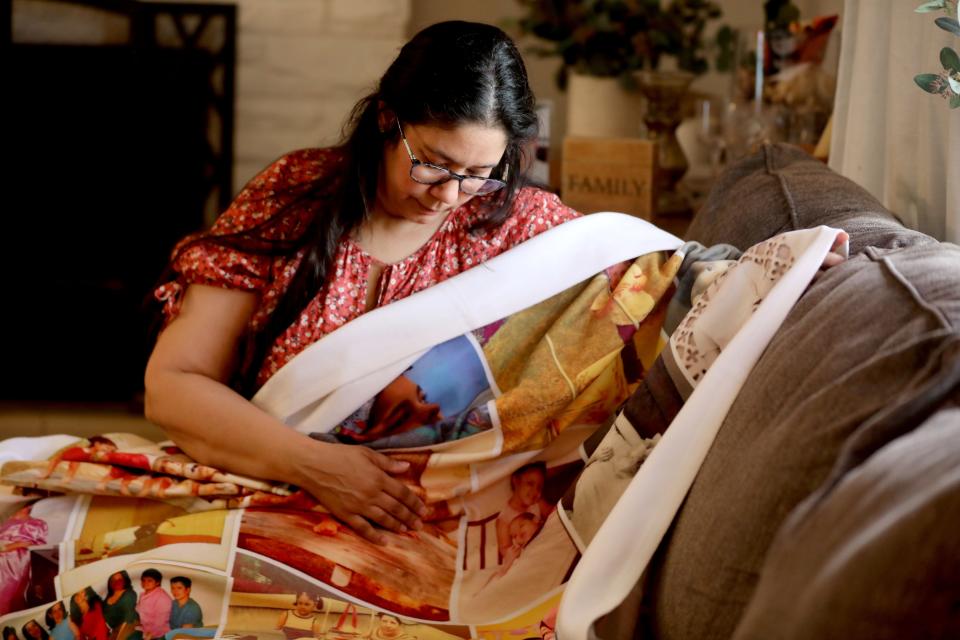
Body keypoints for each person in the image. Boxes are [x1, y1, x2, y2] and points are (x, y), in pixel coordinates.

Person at [144, 20, 580, 545]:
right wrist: (318, 467)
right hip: (269, 481)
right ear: (386, 117)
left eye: (479, 172)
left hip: (429, 525)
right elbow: (172, 386)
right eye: (433, 165)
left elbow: (639, 277)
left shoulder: (518, 224)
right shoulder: (296, 196)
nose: (449, 196)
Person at [495, 462, 553, 560]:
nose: (535, 492)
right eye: (530, 484)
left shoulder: (538, 503)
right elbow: (505, 550)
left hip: (543, 548)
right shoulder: (504, 519)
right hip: (523, 558)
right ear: (516, 481)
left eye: (539, 487)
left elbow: (554, 513)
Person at [0, 504, 48, 615]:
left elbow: (31, 542)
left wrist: (6, 547)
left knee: (6, 592)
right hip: (4, 557)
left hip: (14, 560)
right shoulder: (6, 516)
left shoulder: (35, 524)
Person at [103, 571, 141, 640]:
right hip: (116, 630)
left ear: (125, 579)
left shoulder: (129, 594)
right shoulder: (108, 597)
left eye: (119, 579)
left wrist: (118, 637)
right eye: (113, 580)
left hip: (130, 627)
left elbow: (128, 619)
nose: (117, 582)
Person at [135, 570, 171, 640]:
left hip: (159, 634)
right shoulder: (143, 595)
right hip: (145, 630)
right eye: (143, 580)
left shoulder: (162, 598)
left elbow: (160, 624)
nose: (145, 583)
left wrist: (149, 635)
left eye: (149, 580)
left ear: (158, 582)